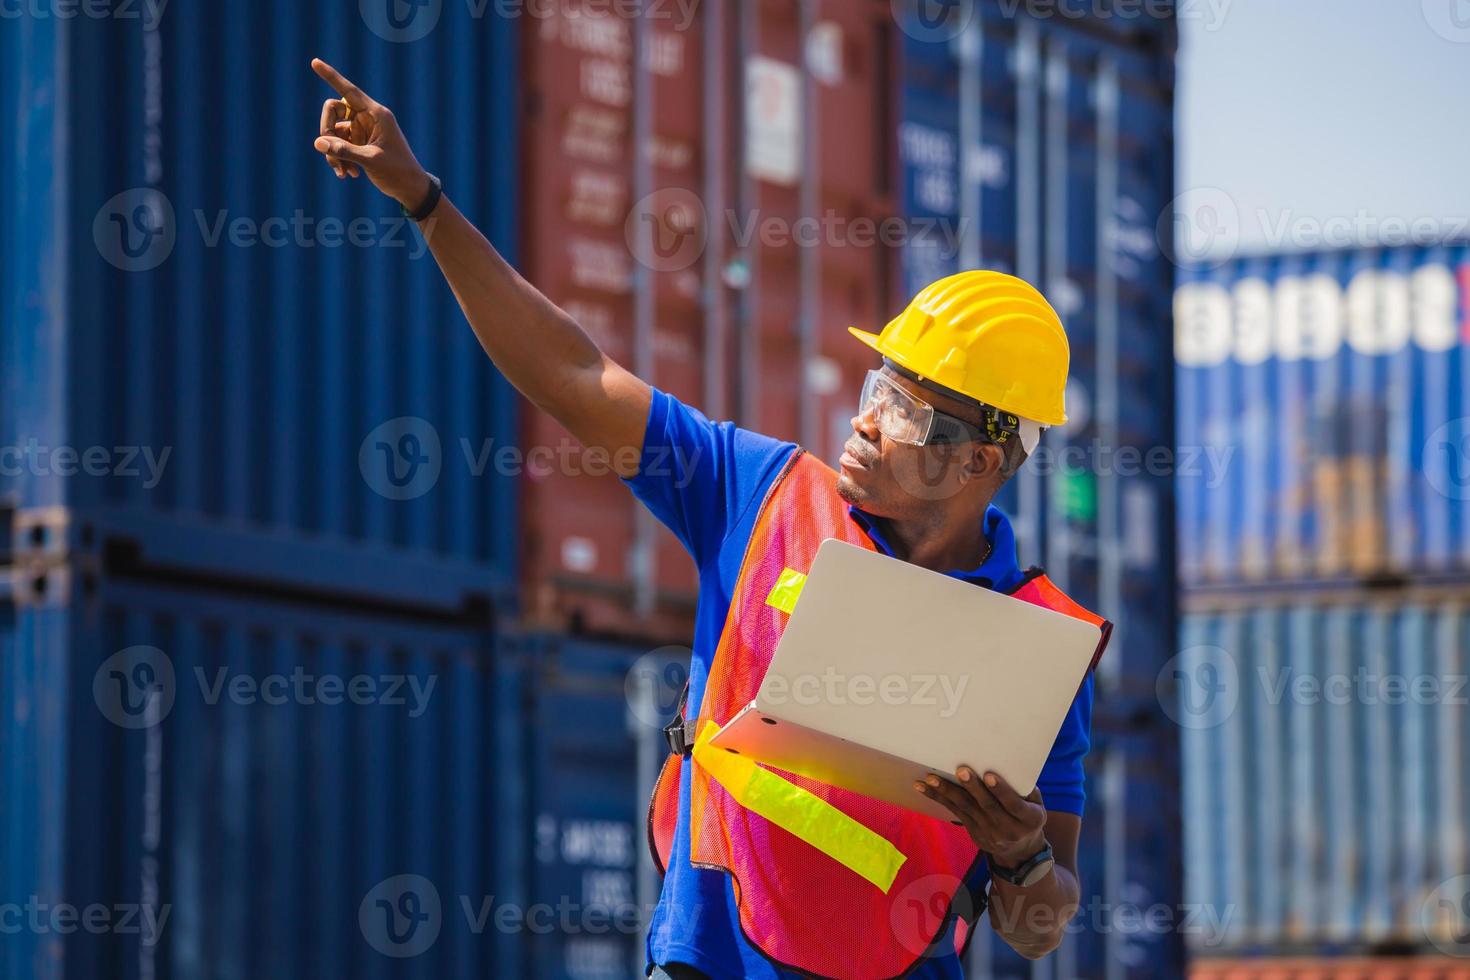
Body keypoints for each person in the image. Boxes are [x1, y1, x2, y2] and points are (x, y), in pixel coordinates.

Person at [310, 58, 1109, 980]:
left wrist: (1023, 859)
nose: (864, 417)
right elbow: (573, 375)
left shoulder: (1036, 646)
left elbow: (1043, 923)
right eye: (874, 385)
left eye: (904, 409)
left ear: (977, 461)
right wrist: (424, 202)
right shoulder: (755, 493)